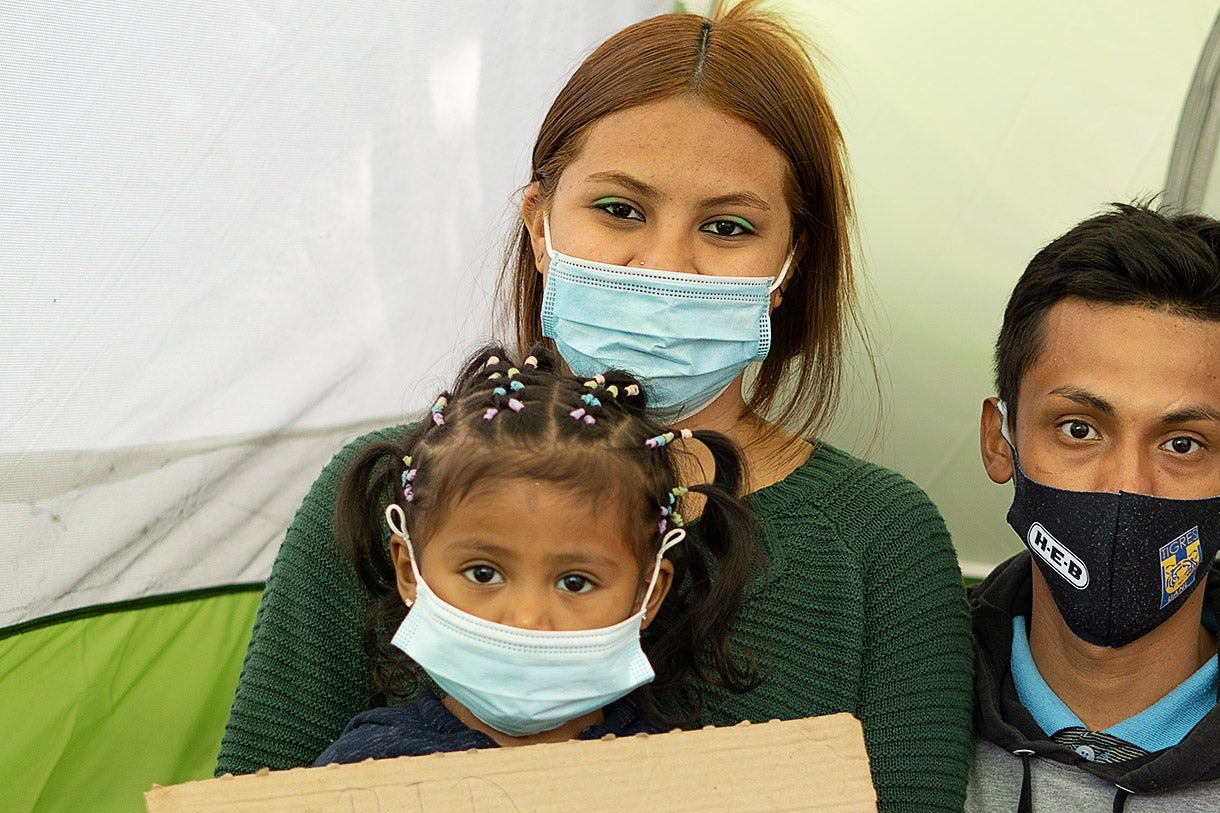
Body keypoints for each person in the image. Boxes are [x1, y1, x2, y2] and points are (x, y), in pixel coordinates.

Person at [218, 4, 973, 809]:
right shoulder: (382, 487)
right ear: (540, 224)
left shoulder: (881, 538)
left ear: (788, 265)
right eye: (620, 209)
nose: (664, 263)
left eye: (726, 226)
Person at [311, 345, 758, 763]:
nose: (526, 619)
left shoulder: (675, 774)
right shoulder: (361, 771)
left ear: (649, 593)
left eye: (575, 582)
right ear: (410, 571)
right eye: (483, 573)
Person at [967, 203, 1220, 811]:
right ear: (1000, 443)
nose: (1124, 484)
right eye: (1079, 429)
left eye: (1182, 443)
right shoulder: (892, 705)